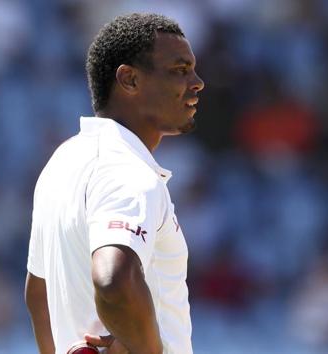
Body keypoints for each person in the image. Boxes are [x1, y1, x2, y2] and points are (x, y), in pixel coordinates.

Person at [24, 13, 204, 354]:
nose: (197, 82)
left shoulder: (62, 162)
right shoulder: (127, 171)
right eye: (180, 70)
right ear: (129, 79)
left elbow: (39, 295)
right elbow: (113, 279)